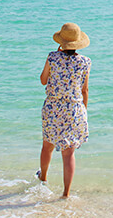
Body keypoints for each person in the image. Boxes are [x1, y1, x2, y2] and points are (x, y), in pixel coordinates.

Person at [36, 22, 91, 198]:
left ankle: (43, 178)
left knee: (47, 146)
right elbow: (84, 90)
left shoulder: (52, 57)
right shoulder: (85, 62)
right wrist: (83, 111)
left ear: (61, 42)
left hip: (53, 107)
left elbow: (43, 80)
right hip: (74, 109)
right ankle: (66, 194)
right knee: (68, 154)